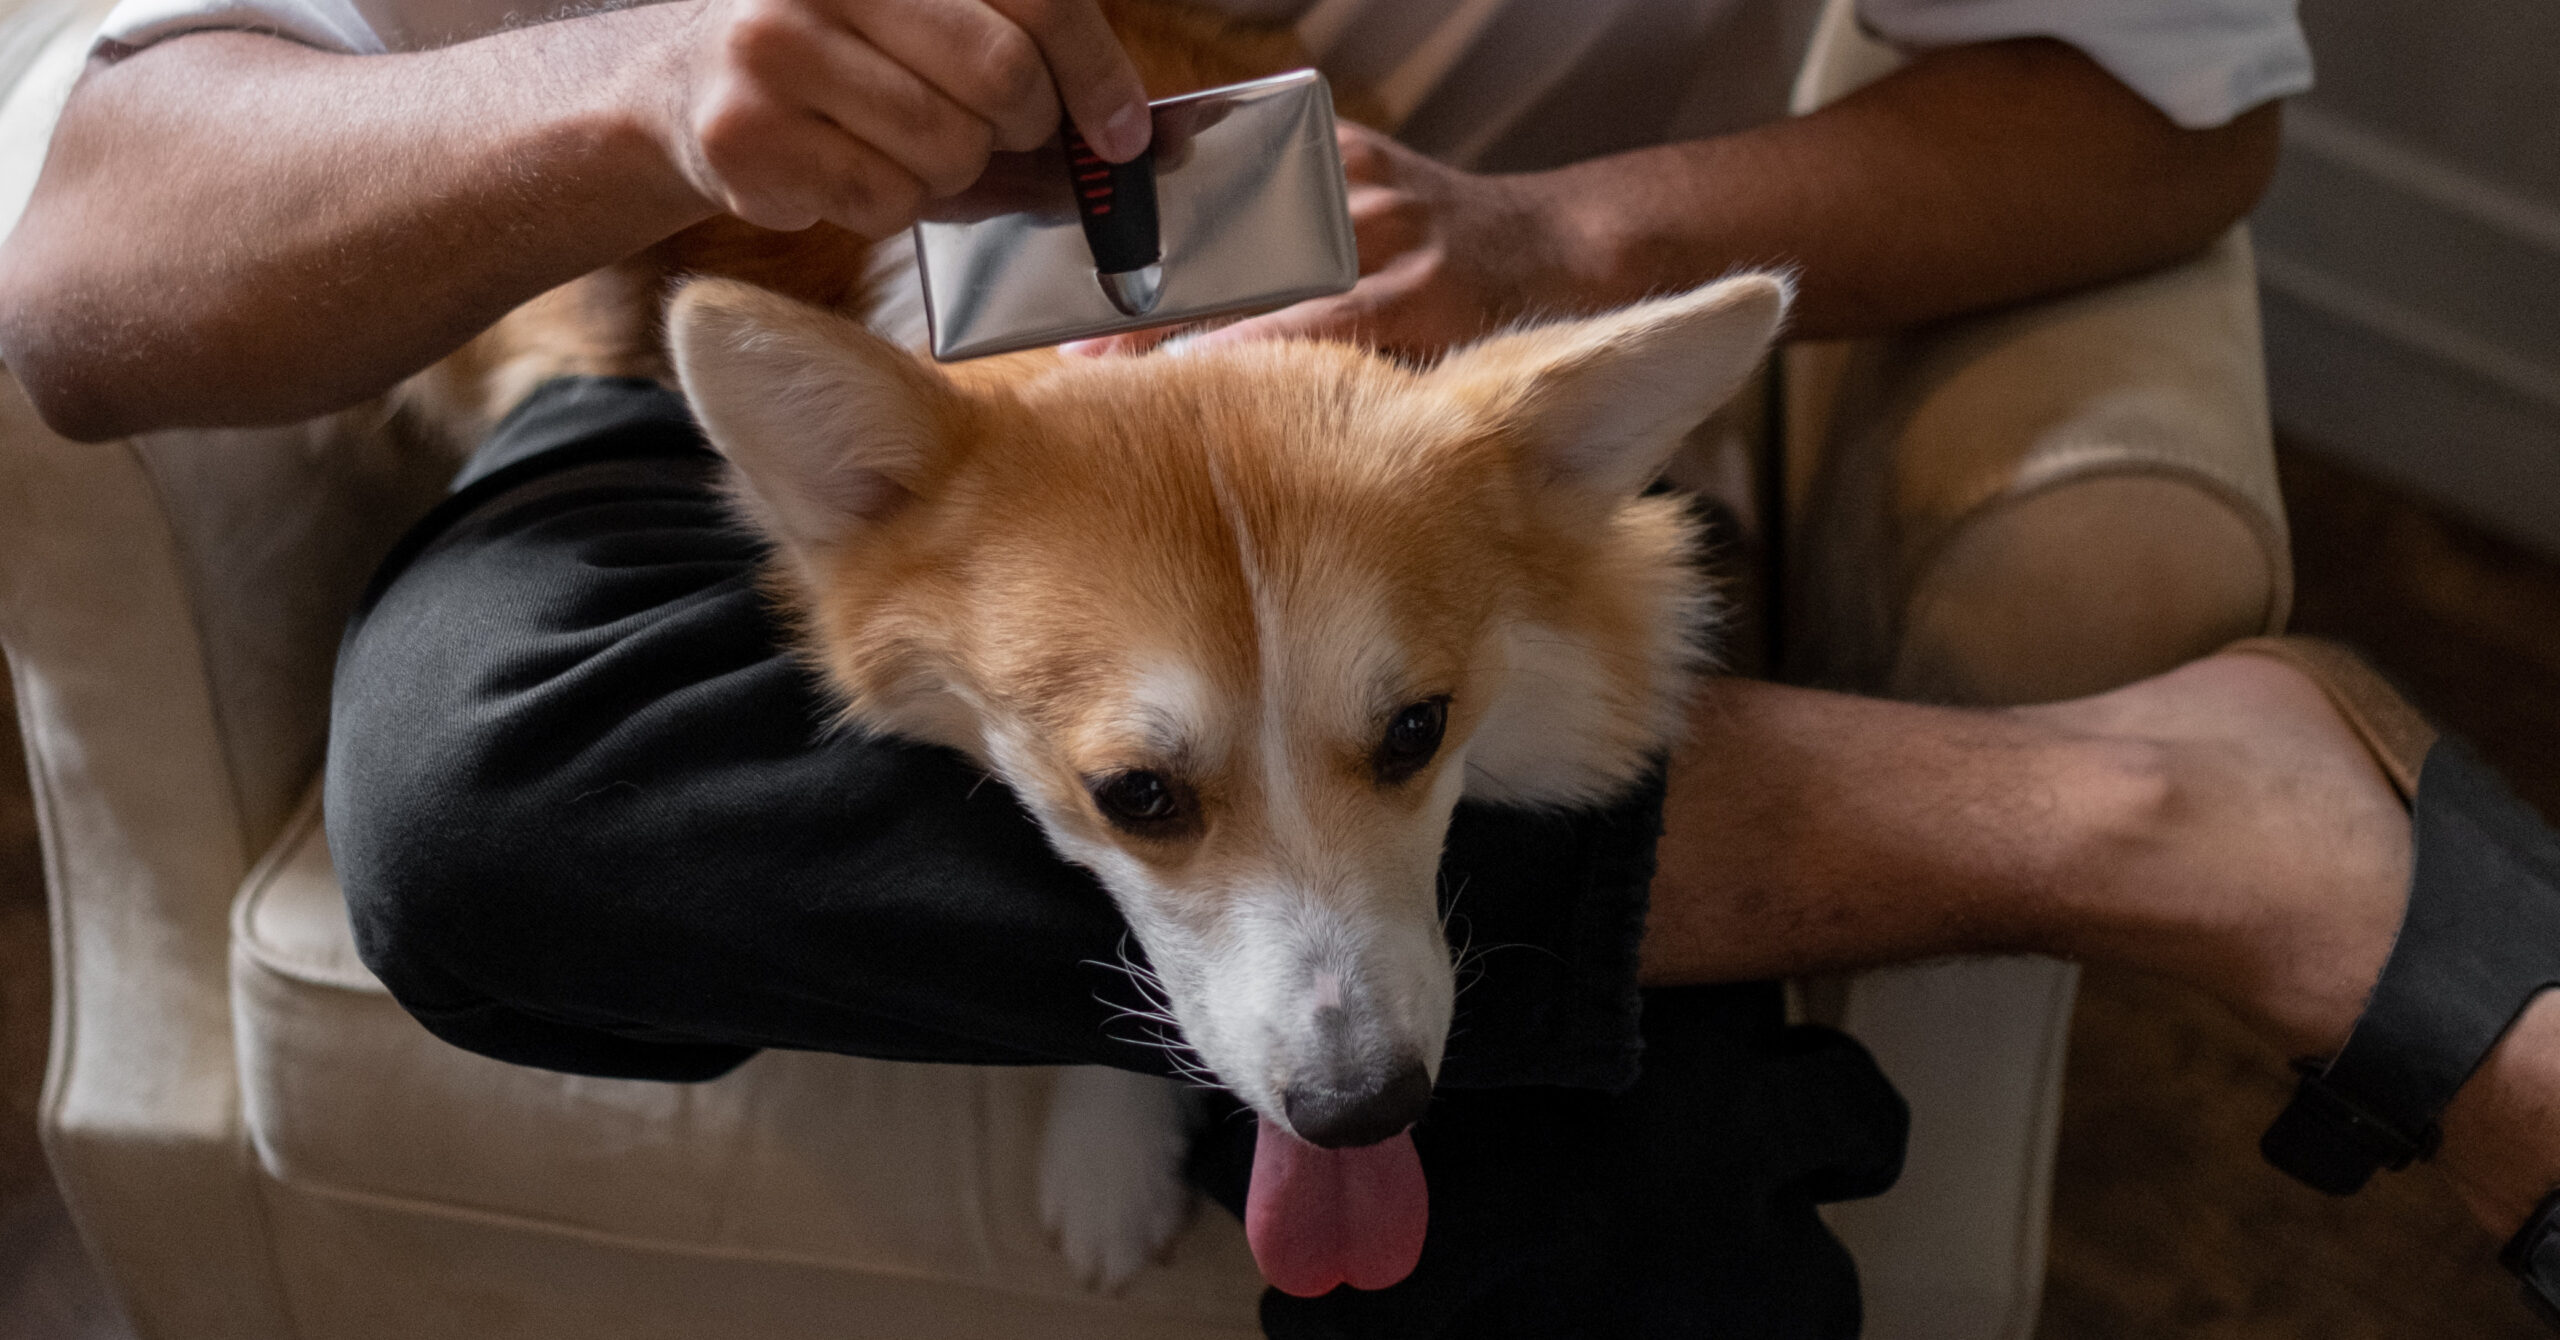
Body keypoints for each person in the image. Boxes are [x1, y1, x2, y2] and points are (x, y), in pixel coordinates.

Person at [3, 0, 2556, 1334]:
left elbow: (2168, 112)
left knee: (1567, 1154)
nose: (1348, 1016)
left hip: (1401, 411)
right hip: (737, 378)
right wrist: (645, 93)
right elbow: (81, 278)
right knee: (478, 799)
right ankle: (2110, 815)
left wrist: (1555, 243)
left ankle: (2169, 811)